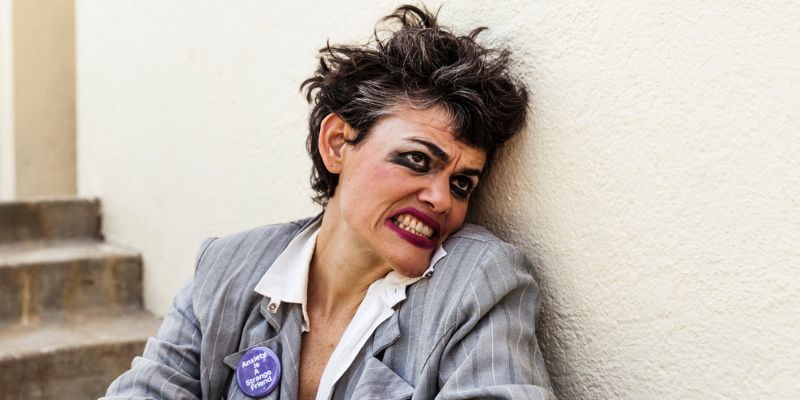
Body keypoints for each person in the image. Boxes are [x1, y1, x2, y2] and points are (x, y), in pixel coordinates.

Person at [104, 5, 555, 400]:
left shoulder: (476, 283)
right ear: (338, 144)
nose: (441, 199)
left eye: (461, 184)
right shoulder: (226, 267)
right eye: (417, 159)